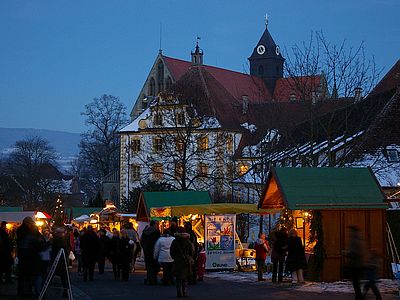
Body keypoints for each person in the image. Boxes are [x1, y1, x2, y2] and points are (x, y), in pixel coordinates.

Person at [17, 216, 46, 298]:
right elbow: (39, 243)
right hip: (32, 257)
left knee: (24, 276)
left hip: (24, 256)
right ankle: (32, 292)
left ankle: (23, 291)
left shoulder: (20, 230)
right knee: (32, 276)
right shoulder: (31, 233)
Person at [170, 226, 195, 298]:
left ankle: (179, 292)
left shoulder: (175, 241)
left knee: (178, 278)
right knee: (185, 278)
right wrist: (189, 257)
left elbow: (172, 252)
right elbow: (192, 251)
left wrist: (175, 258)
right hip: (186, 261)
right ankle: (184, 292)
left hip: (178, 261)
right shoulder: (188, 241)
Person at [344, 225, 365, 300]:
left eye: (350, 230)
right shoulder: (358, 239)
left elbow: (355, 252)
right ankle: (359, 297)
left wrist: (347, 253)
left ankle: (359, 298)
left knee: (356, 283)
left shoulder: (354, 240)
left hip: (355, 265)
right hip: (357, 264)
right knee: (356, 283)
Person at [51, 227, 70, 298]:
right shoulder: (59, 240)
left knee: (64, 279)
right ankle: (66, 292)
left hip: (59, 261)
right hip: (59, 262)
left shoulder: (56, 240)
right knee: (64, 278)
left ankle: (66, 292)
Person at [141, 220, 160, 285]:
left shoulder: (144, 231)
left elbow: (142, 241)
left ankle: (149, 278)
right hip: (153, 250)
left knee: (148, 265)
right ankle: (153, 279)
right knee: (154, 265)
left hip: (146, 250)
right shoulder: (156, 232)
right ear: (154, 224)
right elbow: (158, 241)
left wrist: (144, 247)